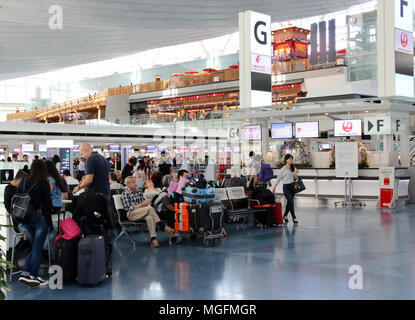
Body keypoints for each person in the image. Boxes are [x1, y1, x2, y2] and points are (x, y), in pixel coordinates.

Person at [16, 160, 54, 287]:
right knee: (37, 248)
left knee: (35, 247)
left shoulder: (24, 181)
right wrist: (49, 223)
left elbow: (18, 197)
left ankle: (25, 273)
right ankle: (33, 275)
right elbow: (48, 206)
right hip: (38, 219)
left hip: (24, 219)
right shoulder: (44, 183)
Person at [121, 176, 175, 247]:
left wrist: (145, 203)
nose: (135, 184)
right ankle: (163, 226)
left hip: (142, 211)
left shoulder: (139, 191)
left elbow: (143, 203)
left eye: (135, 182)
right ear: (128, 184)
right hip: (132, 214)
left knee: (149, 217)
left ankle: (153, 240)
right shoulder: (125, 193)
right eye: (133, 182)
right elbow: (128, 208)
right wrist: (141, 205)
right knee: (149, 208)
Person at [271, 154, 299, 224]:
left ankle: (285, 215)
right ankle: (294, 217)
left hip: (292, 187)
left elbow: (296, 178)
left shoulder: (294, 168)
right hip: (286, 187)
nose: (291, 160)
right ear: (286, 160)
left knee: (290, 202)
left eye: (292, 159)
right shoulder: (283, 169)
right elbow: (278, 179)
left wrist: (296, 175)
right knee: (291, 201)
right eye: (289, 159)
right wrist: (274, 187)